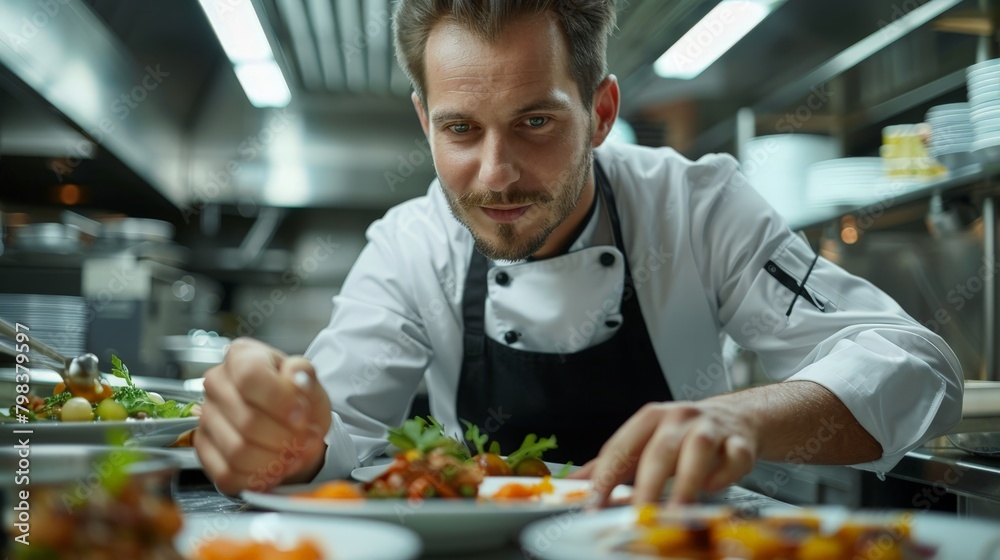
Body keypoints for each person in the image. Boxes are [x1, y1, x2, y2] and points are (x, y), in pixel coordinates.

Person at [195, 0, 963, 505]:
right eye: (461, 129)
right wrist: (281, 441)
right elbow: (337, 429)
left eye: (534, 123)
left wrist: (742, 418)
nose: (494, 174)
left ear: (600, 112)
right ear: (425, 122)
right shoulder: (409, 248)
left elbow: (916, 364)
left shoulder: (696, 207)